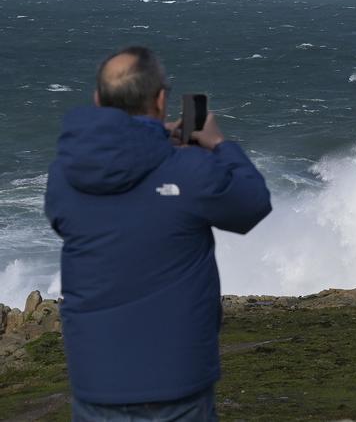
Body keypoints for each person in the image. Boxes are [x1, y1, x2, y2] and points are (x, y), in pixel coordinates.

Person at [44, 46, 272, 420]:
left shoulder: (64, 175)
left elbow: (64, 219)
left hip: (96, 380)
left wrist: (148, 142)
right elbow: (252, 204)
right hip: (176, 380)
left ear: (98, 99)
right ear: (161, 100)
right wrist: (219, 144)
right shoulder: (189, 168)